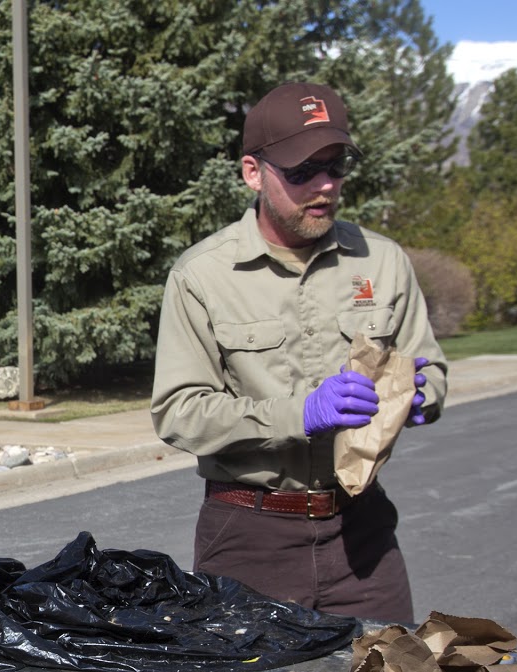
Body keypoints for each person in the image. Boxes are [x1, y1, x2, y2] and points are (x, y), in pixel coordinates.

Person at [150, 82, 447, 624]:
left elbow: (429, 361)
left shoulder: (382, 262)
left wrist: (423, 394)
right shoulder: (203, 276)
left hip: (363, 533)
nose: (326, 185)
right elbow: (178, 412)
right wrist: (300, 413)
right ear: (253, 172)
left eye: (336, 166)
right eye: (302, 171)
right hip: (249, 535)